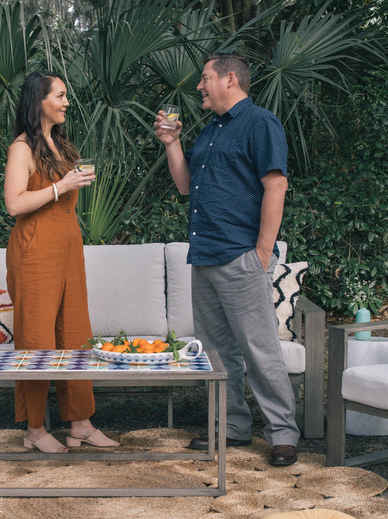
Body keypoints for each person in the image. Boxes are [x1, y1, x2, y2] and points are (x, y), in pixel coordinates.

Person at [154, 53, 300, 466]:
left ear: (229, 79)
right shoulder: (209, 131)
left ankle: (283, 433)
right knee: (216, 354)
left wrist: (263, 254)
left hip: (241, 257)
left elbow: (276, 185)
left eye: (205, 78)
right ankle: (232, 426)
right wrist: (172, 143)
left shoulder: (260, 123)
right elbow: (185, 186)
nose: (199, 86)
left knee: (259, 350)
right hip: (204, 256)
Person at [4, 70, 120, 454]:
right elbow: (14, 203)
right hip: (35, 253)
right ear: (39, 101)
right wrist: (61, 186)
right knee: (36, 339)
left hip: (69, 249)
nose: (67, 102)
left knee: (75, 334)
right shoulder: (22, 148)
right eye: (60, 95)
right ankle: (34, 429)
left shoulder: (60, 144)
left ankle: (81, 424)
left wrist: (72, 182)